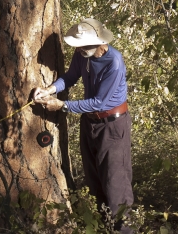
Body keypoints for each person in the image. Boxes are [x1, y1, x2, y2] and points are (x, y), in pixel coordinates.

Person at [34, 18, 133, 234]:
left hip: (113, 126)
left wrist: (62, 105)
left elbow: (100, 102)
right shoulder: (81, 55)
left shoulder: (113, 62)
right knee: (95, 181)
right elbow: (70, 77)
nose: (80, 50)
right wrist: (50, 89)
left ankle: (123, 231)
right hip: (90, 123)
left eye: (85, 46)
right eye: (78, 46)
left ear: (100, 43)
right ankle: (105, 228)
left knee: (116, 186)